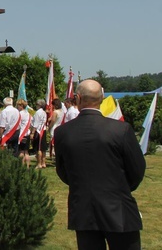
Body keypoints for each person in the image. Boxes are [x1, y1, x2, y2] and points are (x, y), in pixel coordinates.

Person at [55, 79, 146, 250]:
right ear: (102, 98)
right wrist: (120, 188)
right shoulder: (121, 130)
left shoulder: (63, 132)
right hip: (119, 207)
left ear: (77, 98)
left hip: (83, 208)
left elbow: (63, 171)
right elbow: (137, 169)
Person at [30, 99, 49, 169]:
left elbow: (35, 124)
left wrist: (32, 133)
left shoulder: (38, 113)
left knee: (38, 148)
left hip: (38, 131)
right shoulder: (44, 112)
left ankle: (39, 163)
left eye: (36, 104)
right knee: (43, 148)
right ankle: (43, 163)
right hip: (43, 130)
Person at [16, 99, 32, 167]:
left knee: (21, 151)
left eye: (18, 105)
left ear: (21, 106)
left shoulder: (20, 114)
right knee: (26, 152)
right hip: (27, 134)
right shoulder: (29, 114)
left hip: (21, 134)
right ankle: (28, 166)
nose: (17, 107)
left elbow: (17, 124)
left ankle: (22, 166)